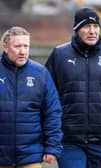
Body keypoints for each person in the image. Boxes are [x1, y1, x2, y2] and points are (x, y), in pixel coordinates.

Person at [45, 7, 101, 168]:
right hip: (68, 138)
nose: (92, 31)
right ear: (77, 29)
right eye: (87, 26)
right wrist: (57, 118)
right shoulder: (59, 54)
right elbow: (46, 91)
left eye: (96, 26)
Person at [0, 26, 63, 168]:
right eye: (17, 46)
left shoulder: (41, 73)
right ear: (5, 47)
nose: (22, 51)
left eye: (26, 46)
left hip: (31, 157)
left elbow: (52, 112)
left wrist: (52, 147)